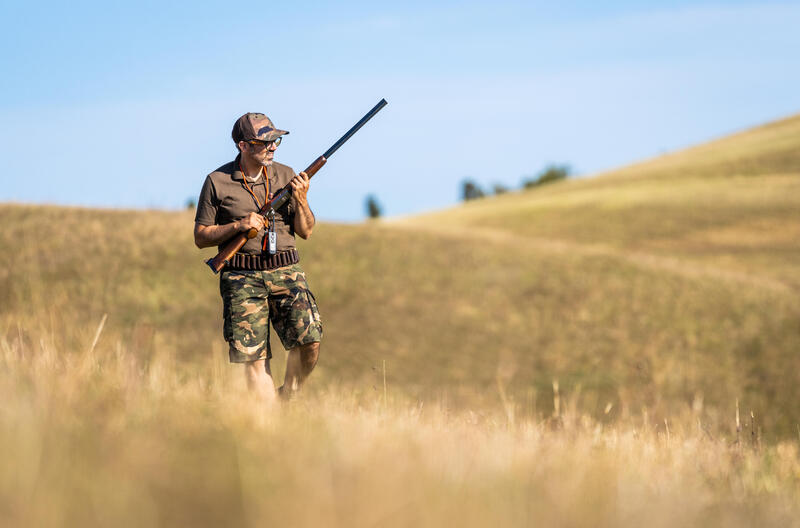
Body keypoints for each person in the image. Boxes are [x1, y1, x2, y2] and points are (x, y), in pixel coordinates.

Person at [193, 112, 323, 403]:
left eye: (276, 140)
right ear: (243, 146)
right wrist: (239, 226)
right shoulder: (217, 181)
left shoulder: (287, 175)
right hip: (241, 278)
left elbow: (307, 231)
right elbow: (201, 236)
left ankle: (286, 398)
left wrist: (301, 199)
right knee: (254, 359)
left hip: (286, 271)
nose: (273, 147)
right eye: (265, 142)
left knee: (310, 341)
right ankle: (270, 425)